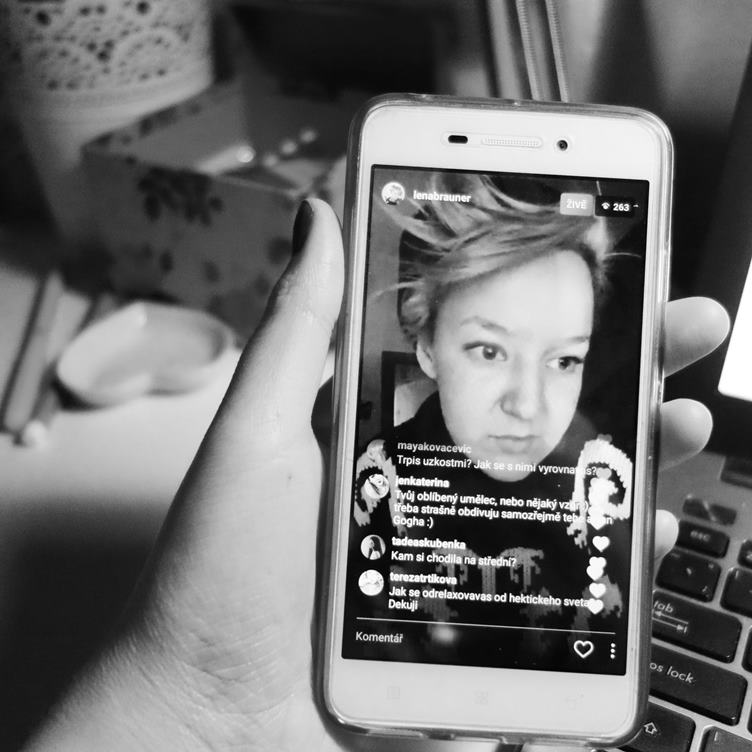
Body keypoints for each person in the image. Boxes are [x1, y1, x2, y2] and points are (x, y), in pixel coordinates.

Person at [22, 199, 728, 751]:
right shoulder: (378, 484)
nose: (528, 403)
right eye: (488, 351)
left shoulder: (597, 488)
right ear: (426, 348)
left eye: (564, 359)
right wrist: (191, 709)